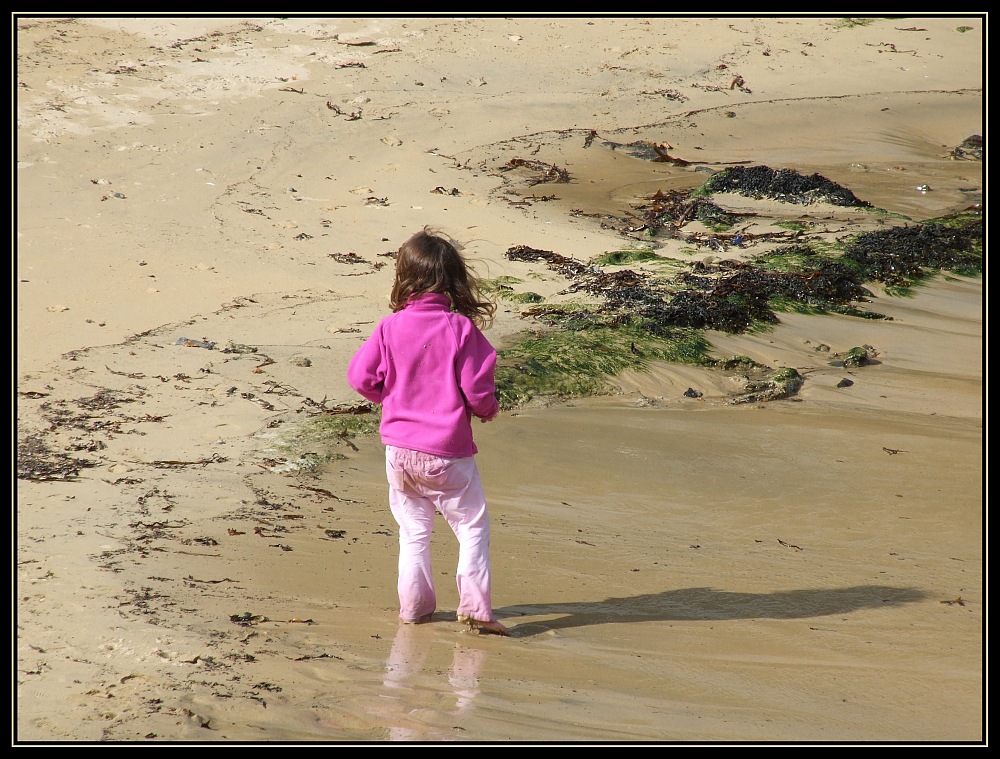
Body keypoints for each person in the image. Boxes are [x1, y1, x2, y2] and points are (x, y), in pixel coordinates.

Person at [347, 228, 509, 636]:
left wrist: (390, 395)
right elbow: (477, 390)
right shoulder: (459, 329)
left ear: (404, 277)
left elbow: (360, 377)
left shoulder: (390, 327)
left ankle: (415, 609)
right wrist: (487, 411)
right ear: (453, 280)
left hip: (399, 451)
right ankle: (474, 608)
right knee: (472, 526)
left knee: (413, 532)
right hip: (447, 454)